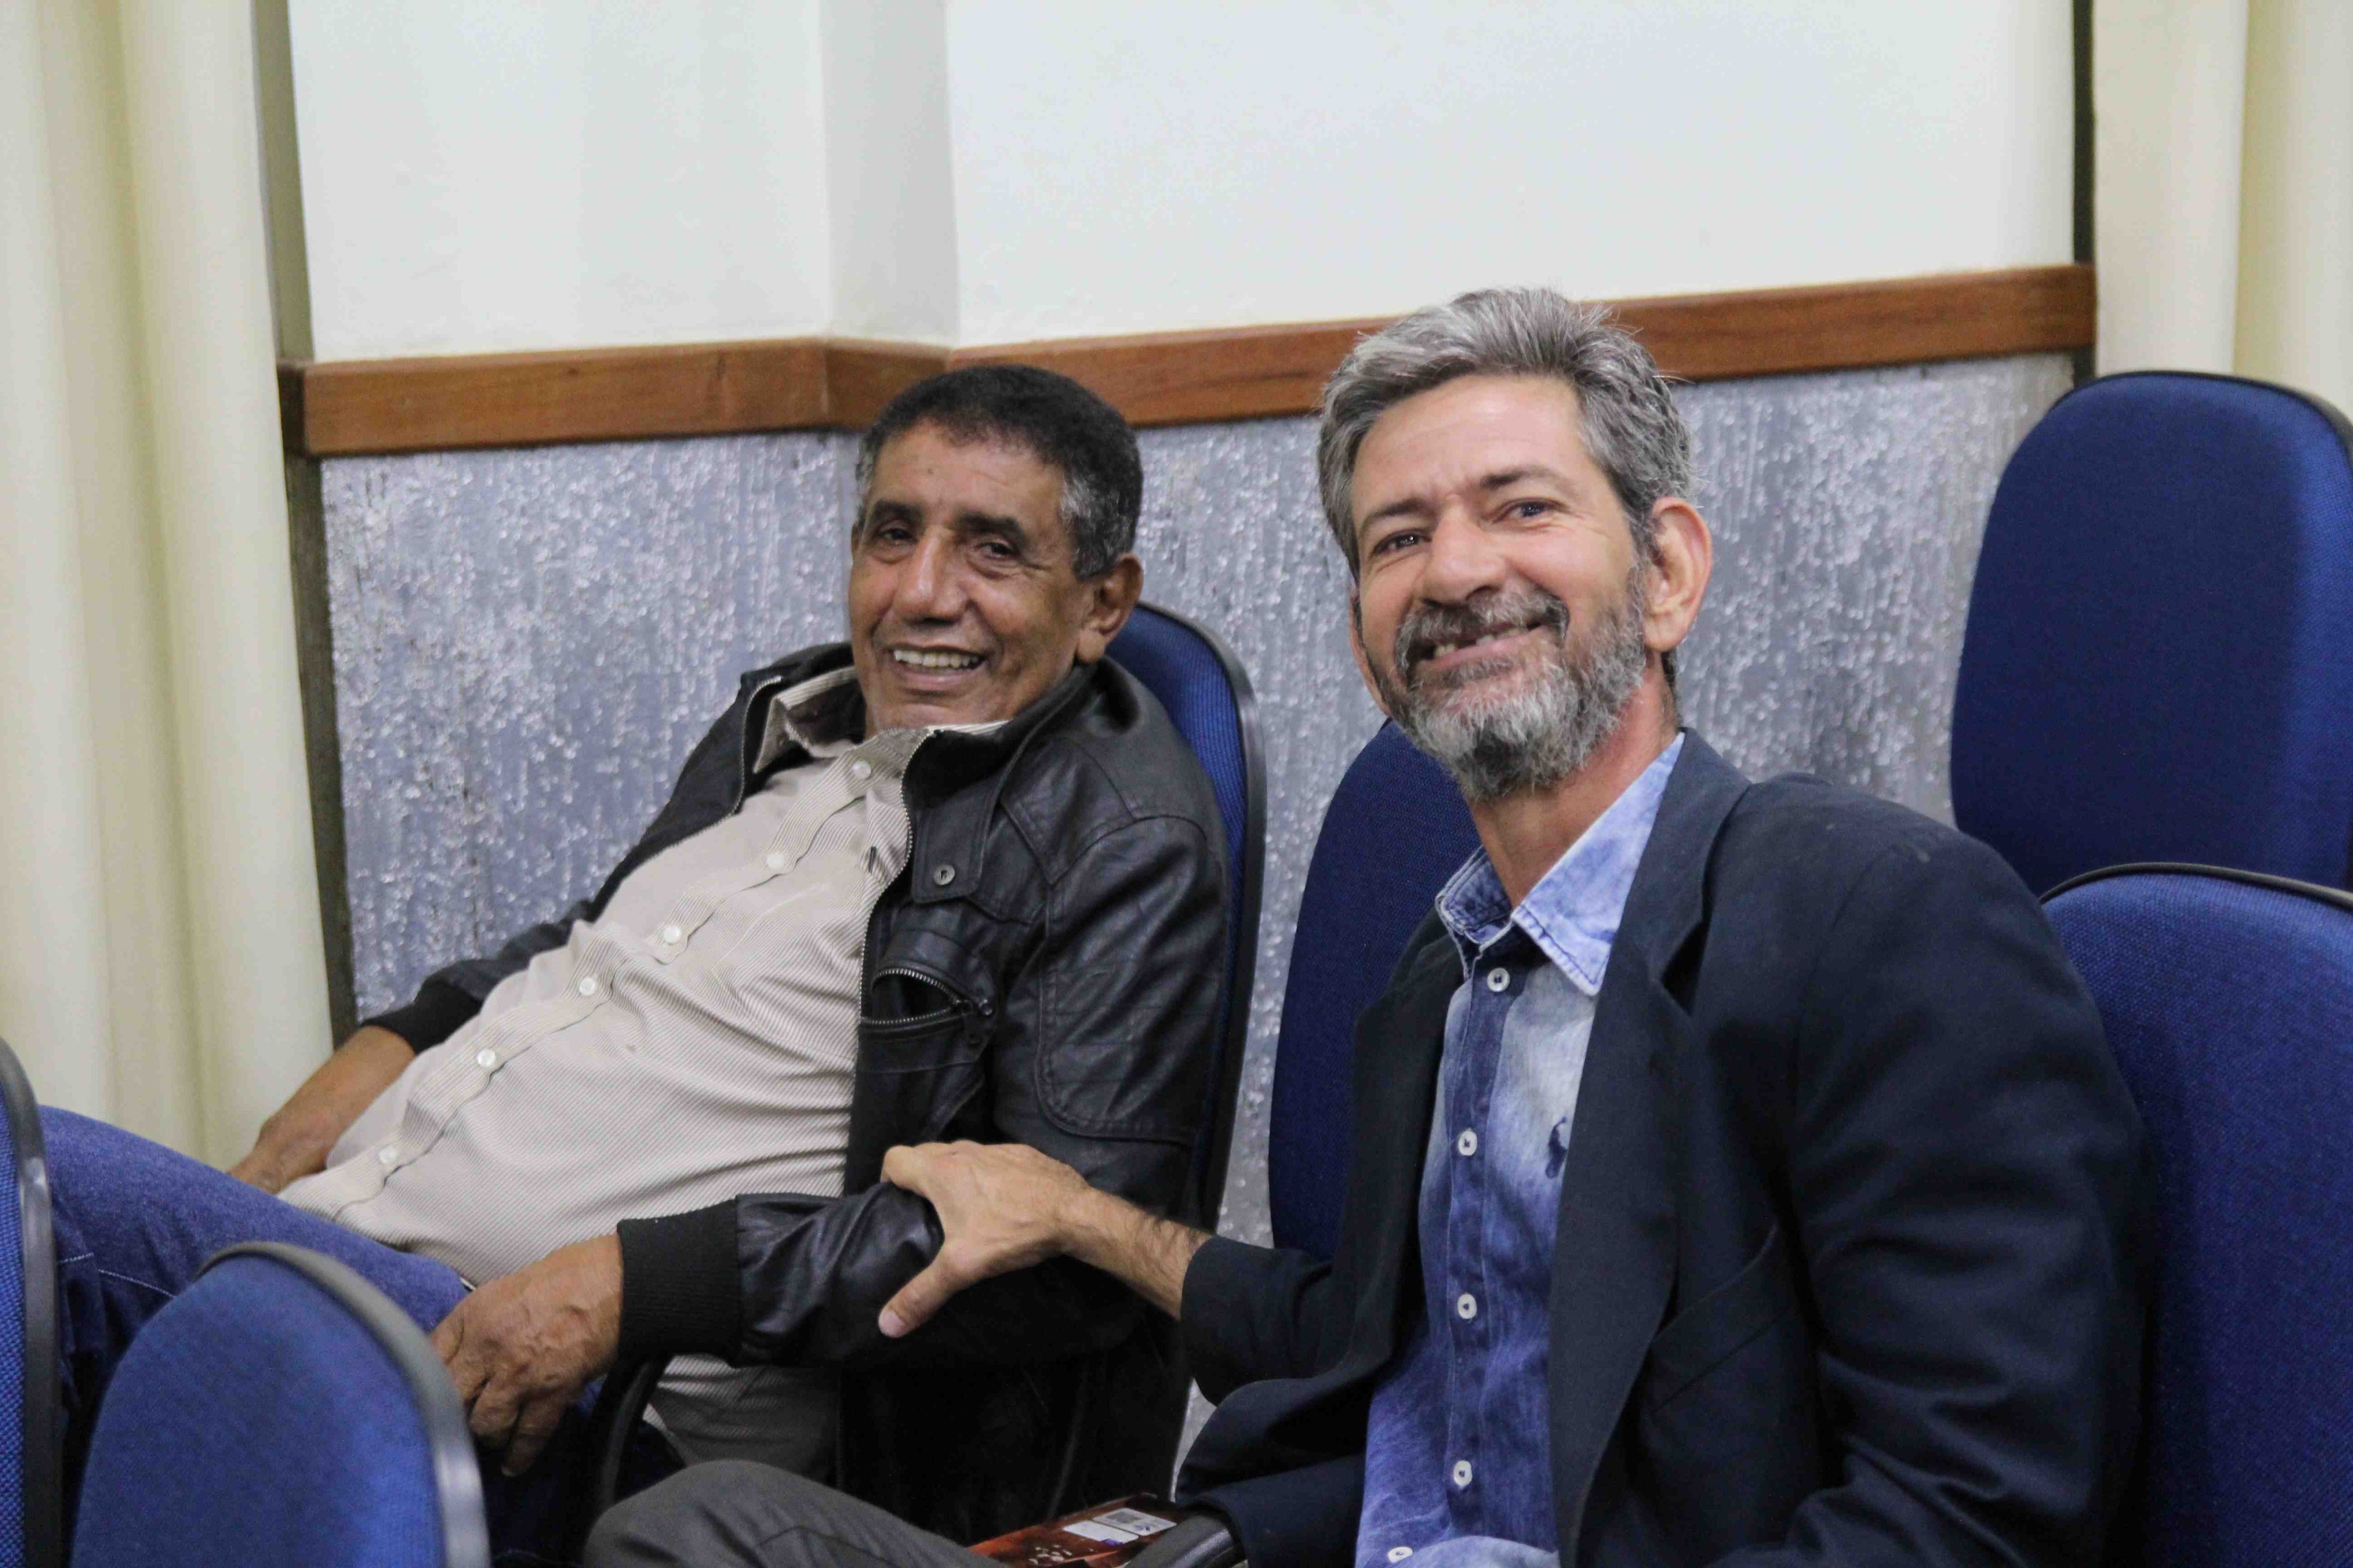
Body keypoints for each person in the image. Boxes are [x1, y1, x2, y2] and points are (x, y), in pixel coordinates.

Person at [588, 290, 2150, 1568]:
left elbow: (1977, 1513)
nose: (1456, 569)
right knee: (694, 1528)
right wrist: (1074, 1217)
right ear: (1363, 642)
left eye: (1519, 508)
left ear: (1667, 571)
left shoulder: (1881, 917)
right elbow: (1370, 1342)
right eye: (1398, 538)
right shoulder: (1446, 973)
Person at [48, 364, 1230, 1550]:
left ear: (1101, 603)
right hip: (350, 1238)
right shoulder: (797, 716)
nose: (921, 592)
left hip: (562, 1396)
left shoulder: (1121, 843)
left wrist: (630, 1284)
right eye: (893, 533)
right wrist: (323, 1110)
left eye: (992, 550)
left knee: (46, 1202)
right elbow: (592, 946)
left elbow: (1062, 1253)